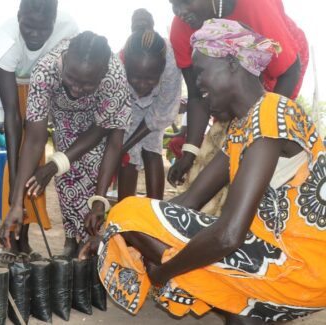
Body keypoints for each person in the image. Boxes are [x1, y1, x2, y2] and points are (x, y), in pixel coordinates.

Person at [82, 19, 326, 325]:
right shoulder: (245, 126)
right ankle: (245, 309)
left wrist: (166, 270)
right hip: (289, 259)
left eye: (200, 73)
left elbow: (228, 236)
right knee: (129, 214)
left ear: (233, 64)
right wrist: (113, 231)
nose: (197, 85)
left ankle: (245, 300)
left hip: (302, 267)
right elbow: (190, 200)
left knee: (138, 215)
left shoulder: (270, 116)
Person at [0, 31, 131, 258]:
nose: (77, 89)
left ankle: (91, 244)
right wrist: (17, 202)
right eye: (71, 79)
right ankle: (73, 242)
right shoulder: (46, 70)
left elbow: (111, 139)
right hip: (64, 119)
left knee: (91, 169)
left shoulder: (115, 77)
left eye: (87, 84)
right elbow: (34, 138)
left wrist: (99, 201)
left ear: (102, 75)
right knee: (68, 180)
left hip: (99, 124)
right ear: (65, 61)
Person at [167, 0, 309, 189]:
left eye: (185, 2)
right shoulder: (181, 27)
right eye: (172, 3)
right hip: (227, 80)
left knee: (257, 141)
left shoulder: (255, 5)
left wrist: (264, 128)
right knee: (230, 141)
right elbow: (198, 94)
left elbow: (289, 71)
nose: (179, 11)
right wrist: (190, 151)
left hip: (281, 62)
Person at [0, 0, 78, 262]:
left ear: (54, 22)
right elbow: (12, 113)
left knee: (36, 161)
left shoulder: (68, 29)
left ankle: (24, 239)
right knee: (18, 163)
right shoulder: (6, 38)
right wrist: (13, 185)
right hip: (16, 88)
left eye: (43, 29)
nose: (34, 35)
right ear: (18, 15)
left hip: (48, 89)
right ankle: (13, 239)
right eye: (28, 26)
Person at [117, 26, 181, 201]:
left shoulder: (171, 66)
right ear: (127, 67)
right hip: (128, 105)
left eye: (150, 79)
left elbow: (161, 112)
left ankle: (154, 212)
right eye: (136, 77)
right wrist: (122, 148)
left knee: (152, 148)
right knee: (128, 157)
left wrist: (123, 147)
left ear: (161, 71)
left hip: (157, 102)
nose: (142, 85)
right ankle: (124, 216)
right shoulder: (117, 70)